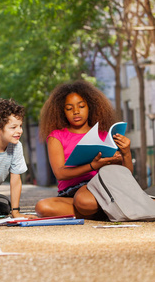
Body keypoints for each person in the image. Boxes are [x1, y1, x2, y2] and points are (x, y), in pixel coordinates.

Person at [36, 80, 133, 219]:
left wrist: (126, 153)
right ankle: (105, 212)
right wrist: (93, 166)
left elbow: (126, 175)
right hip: (69, 194)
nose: (76, 112)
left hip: (98, 189)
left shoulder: (104, 135)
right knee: (42, 207)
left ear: (90, 107)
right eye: (69, 108)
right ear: (62, 111)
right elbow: (60, 173)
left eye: (81, 106)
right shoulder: (56, 136)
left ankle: (93, 210)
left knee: (85, 201)